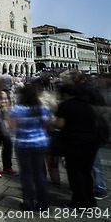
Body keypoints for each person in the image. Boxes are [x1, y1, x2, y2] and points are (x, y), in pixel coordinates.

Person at [54, 81, 100, 211]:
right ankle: (90, 201)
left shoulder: (66, 105)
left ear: (66, 94)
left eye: (61, 94)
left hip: (75, 143)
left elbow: (60, 124)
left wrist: (51, 121)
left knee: (76, 173)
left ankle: (79, 203)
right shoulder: (87, 106)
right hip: (91, 142)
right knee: (86, 172)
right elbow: (95, 123)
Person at [10, 85, 52, 211]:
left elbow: (12, 127)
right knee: (39, 173)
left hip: (23, 144)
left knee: (26, 174)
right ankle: (43, 203)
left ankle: (28, 203)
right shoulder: (42, 108)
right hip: (39, 143)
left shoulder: (17, 109)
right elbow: (50, 123)